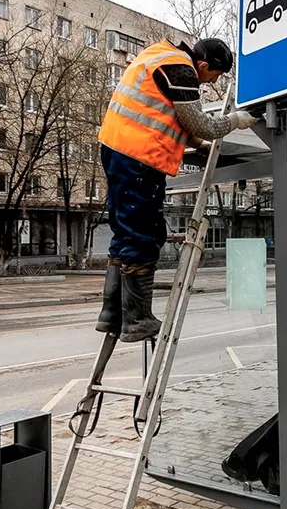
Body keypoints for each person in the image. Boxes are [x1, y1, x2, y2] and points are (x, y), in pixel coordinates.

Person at [95, 38, 259, 343]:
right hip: (140, 157)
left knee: (125, 234)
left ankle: (112, 314)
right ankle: (136, 319)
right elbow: (201, 124)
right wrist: (236, 120)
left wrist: (196, 143)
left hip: (120, 150)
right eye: (215, 75)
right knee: (144, 236)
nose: (213, 82)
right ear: (203, 65)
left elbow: (164, 115)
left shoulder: (160, 55)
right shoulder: (182, 70)